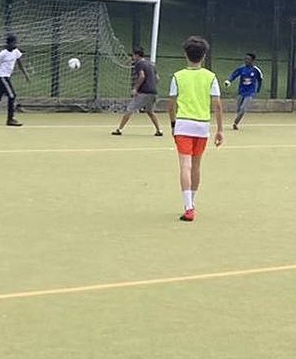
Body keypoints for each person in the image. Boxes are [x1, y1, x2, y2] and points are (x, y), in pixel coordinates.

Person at [167, 36, 224, 222]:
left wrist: (173, 123)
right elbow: (217, 105)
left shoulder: (177, 76)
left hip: (183, 124)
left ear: (185, 54)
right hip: (202, 125)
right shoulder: (211, 77)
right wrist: (220, 130)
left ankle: (188, 206)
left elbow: (171, 105)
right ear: (204, 55)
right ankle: (191, 203)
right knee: (196, 165)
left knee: (185, 165)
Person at [112, 47, 163, 136]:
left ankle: (119, 129)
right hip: (153, 92)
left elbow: (142, 76)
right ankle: (159, 130)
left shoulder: (139, 64)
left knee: (129, 109)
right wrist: (151, 86)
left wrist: (135, 88)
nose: (132, 57)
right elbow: (157, 79)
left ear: (137, 55)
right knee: (150, 111)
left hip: (144, 93)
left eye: (133, 55)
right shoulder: (151, 64)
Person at [225, 53, 264, 130]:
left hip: (250, 92)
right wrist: (229, 81)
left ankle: (235, 123)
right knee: (239, 108)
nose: (246, 61)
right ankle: (238, 117)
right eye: (245, 59)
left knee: (243, 109)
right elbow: (234, 74)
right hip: (241, 91)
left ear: (252, 61)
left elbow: (260, 80)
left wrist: (258, 89)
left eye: (248, 59)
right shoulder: (242, 68)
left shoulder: (256, 70)